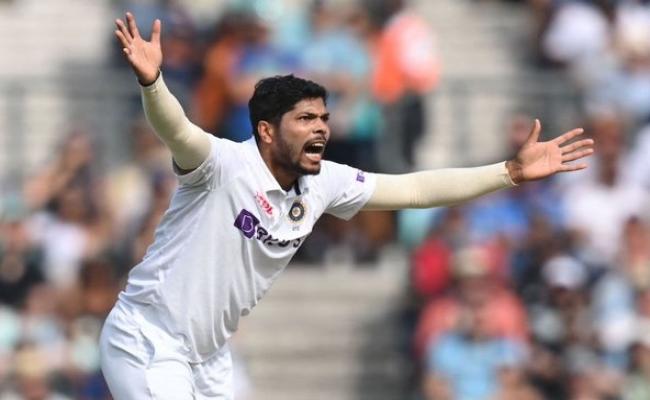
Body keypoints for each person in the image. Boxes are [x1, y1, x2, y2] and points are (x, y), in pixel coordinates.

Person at [101, 12, 595, 399]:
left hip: (208, 354)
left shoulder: (324, 183)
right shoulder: (223, 165)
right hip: (149, 336)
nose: (320, 128)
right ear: (267, 130)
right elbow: (177, 130)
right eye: (304, 119)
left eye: (323, 118)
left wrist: (508, 172)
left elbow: (414, 191)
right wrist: (153, 82)